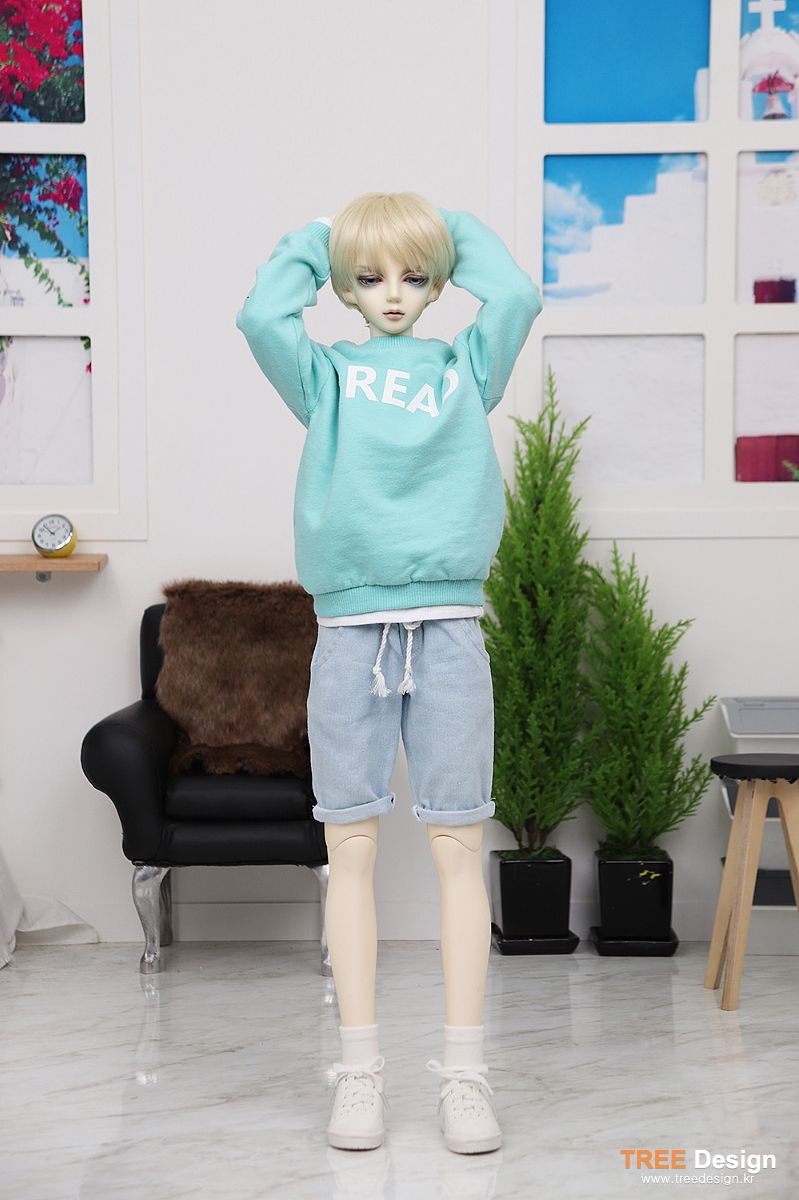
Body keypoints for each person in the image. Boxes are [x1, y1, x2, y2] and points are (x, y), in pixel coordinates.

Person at [235, 192, 542, 1154]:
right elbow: (260, 316)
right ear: (344, 287)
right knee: (350, 851)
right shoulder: (323, 376)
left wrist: (442, 224)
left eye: (414, 275)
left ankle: (465, 1077)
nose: (394, 294)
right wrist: (324, 237)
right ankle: (359, 1073)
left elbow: (517, 296)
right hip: (349, 632)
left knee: (458, 846)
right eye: (369, 278)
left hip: (448, 627)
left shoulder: (466, 368)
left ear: (440, 280)